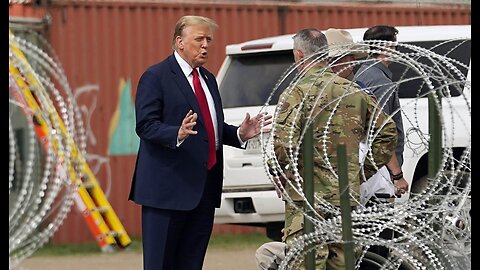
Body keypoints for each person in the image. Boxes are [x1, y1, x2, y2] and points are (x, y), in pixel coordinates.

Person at [128, 15, 272, 270]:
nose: (205, 45)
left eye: (209, 40)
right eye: (199, 39)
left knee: (191, 263)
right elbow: (146, 125)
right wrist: (177, 133)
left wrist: (238, 133)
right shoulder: (156, 76)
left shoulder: (207, 79)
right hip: (166, 191)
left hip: (203, 189)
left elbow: (209, 128)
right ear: (179, 42)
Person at [256, 28, 397, 270]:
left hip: (308, 197)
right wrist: (362, 172)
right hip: (345, 196)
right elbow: (387, 133)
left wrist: (278, 172)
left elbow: (283, 143)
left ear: (299, 55)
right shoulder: (354, 91)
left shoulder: (297, 93)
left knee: (306, 261)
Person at [354, 25, 409, 196]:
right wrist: (396, 174)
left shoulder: (363, 73)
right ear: (386, 48)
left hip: (368, 165)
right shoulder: (380, 81)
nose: (397, 51)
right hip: (379, 171)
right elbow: (381, 132)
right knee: (380, 218)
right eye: (395, 46)